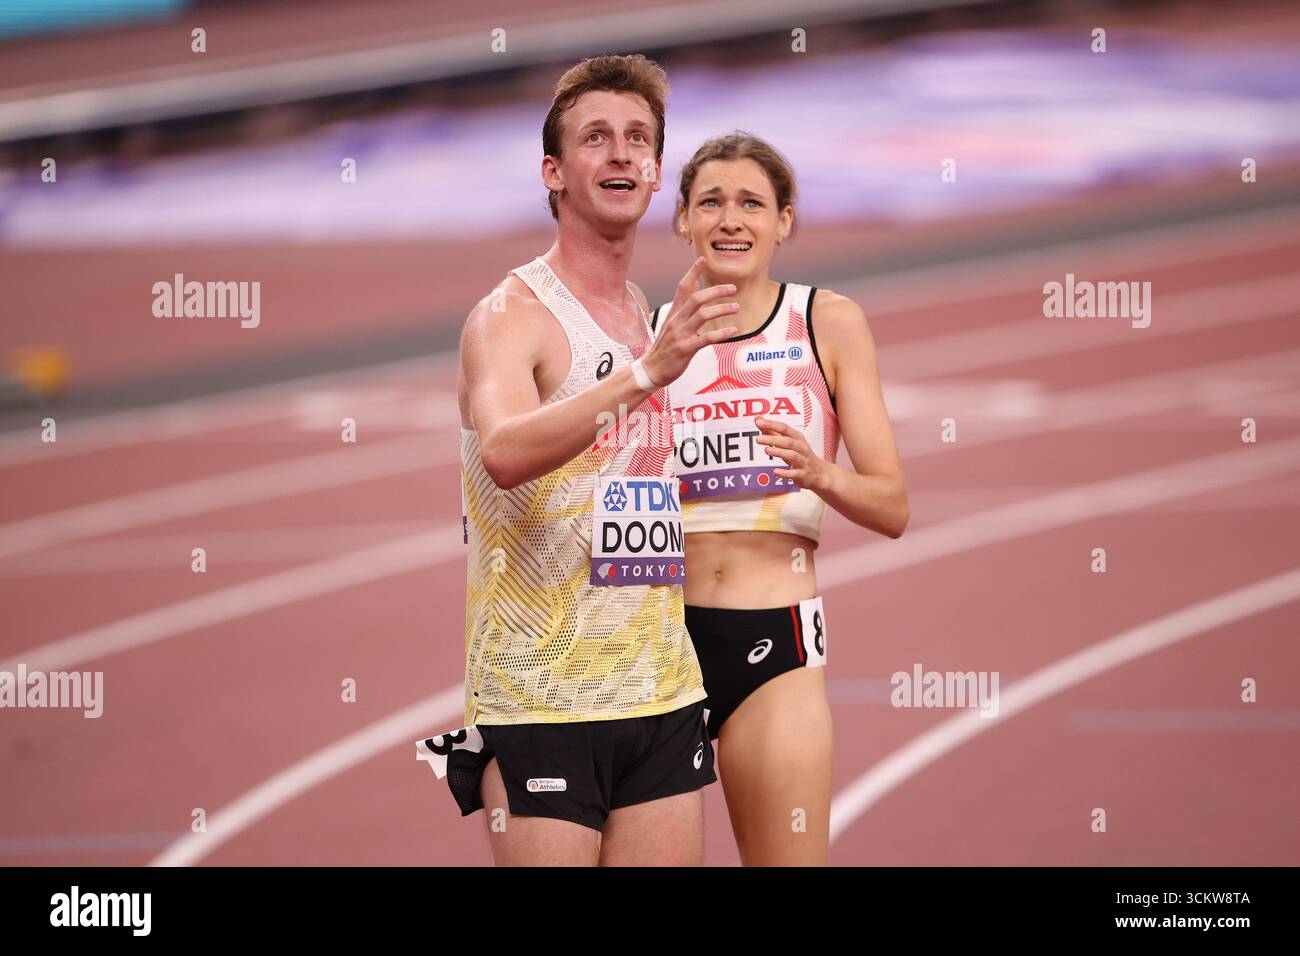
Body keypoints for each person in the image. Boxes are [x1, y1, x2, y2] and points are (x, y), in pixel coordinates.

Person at [415, 55, 742, 867]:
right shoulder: (509, 316)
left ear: (660, 170)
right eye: (597, 139)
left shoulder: (647, 317)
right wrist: (644, 376)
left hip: (661, 694)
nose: (622, 154)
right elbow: (503, 452)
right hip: (541, 704)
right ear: (554, 172)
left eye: (638, 139)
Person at [651, 132, 909, 865]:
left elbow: (891, 505)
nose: (731, 220)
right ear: (682, 220)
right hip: (652, 645)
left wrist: (820, 474)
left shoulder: (826, 321)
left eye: (751, 204)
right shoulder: (647, 340)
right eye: (711, 203)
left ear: (784, 221)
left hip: (772, 647)